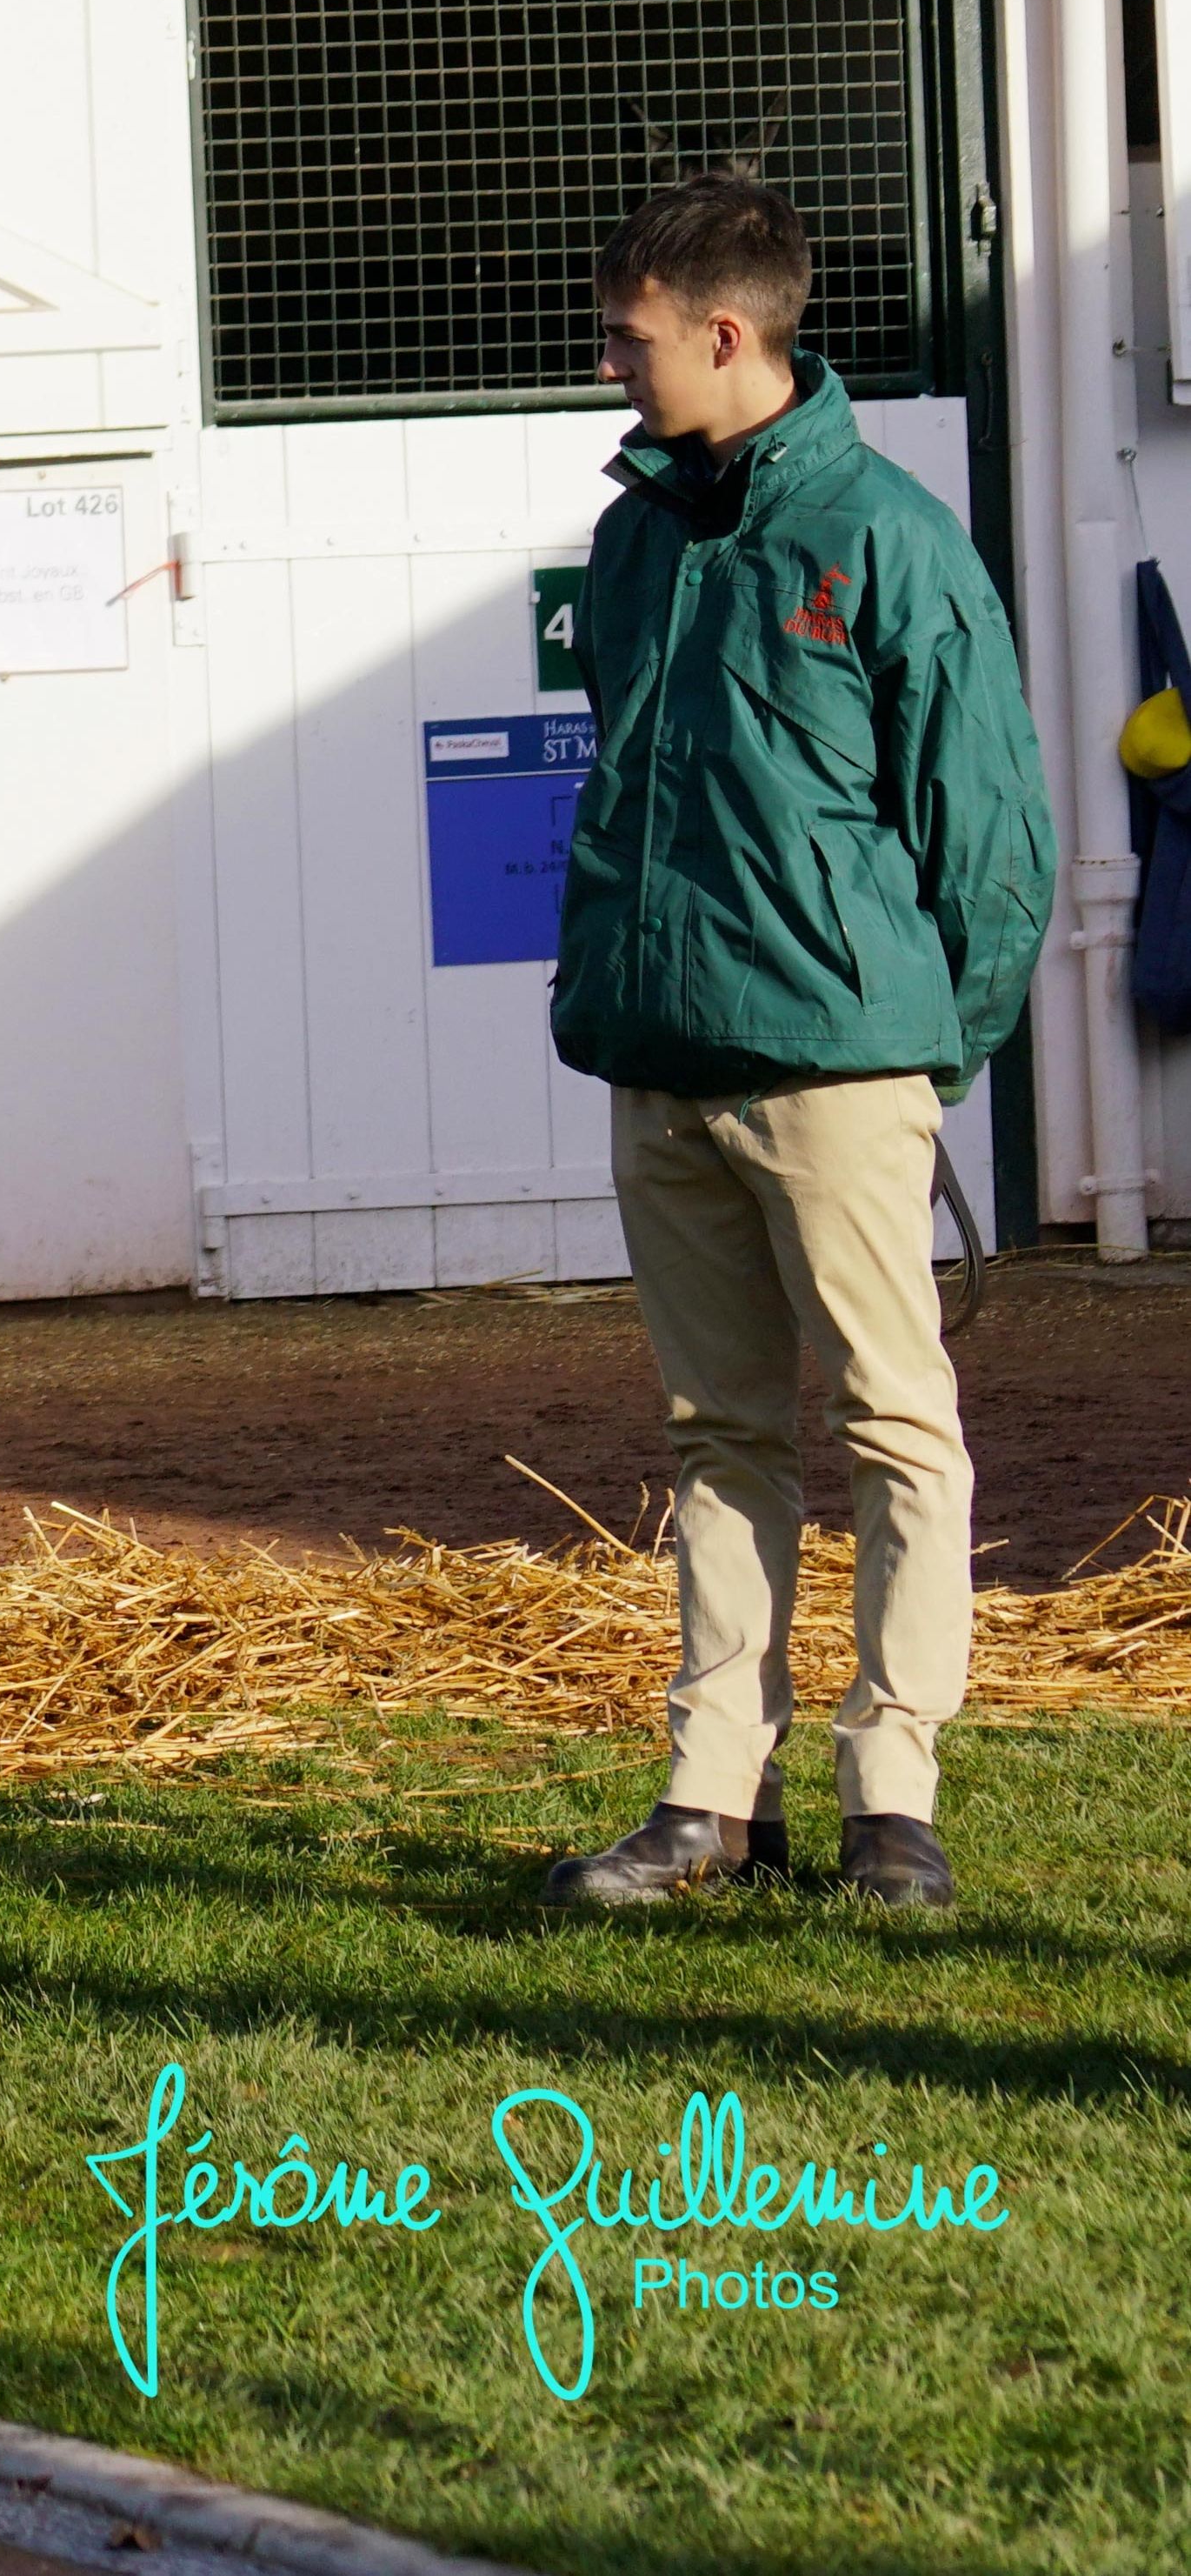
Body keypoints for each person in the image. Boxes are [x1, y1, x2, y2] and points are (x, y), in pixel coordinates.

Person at [536, 170, 1050, 1917]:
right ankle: (709, 1800)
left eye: (630, 335)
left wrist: (916, 1059)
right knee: (717, 1432)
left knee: (899, 1425)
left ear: (724, 332)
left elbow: (990, 842)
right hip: (660, 1067)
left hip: (834, 1076)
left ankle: (891, 1800)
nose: (609, 362)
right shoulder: (630, 542)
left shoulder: (893, 545)